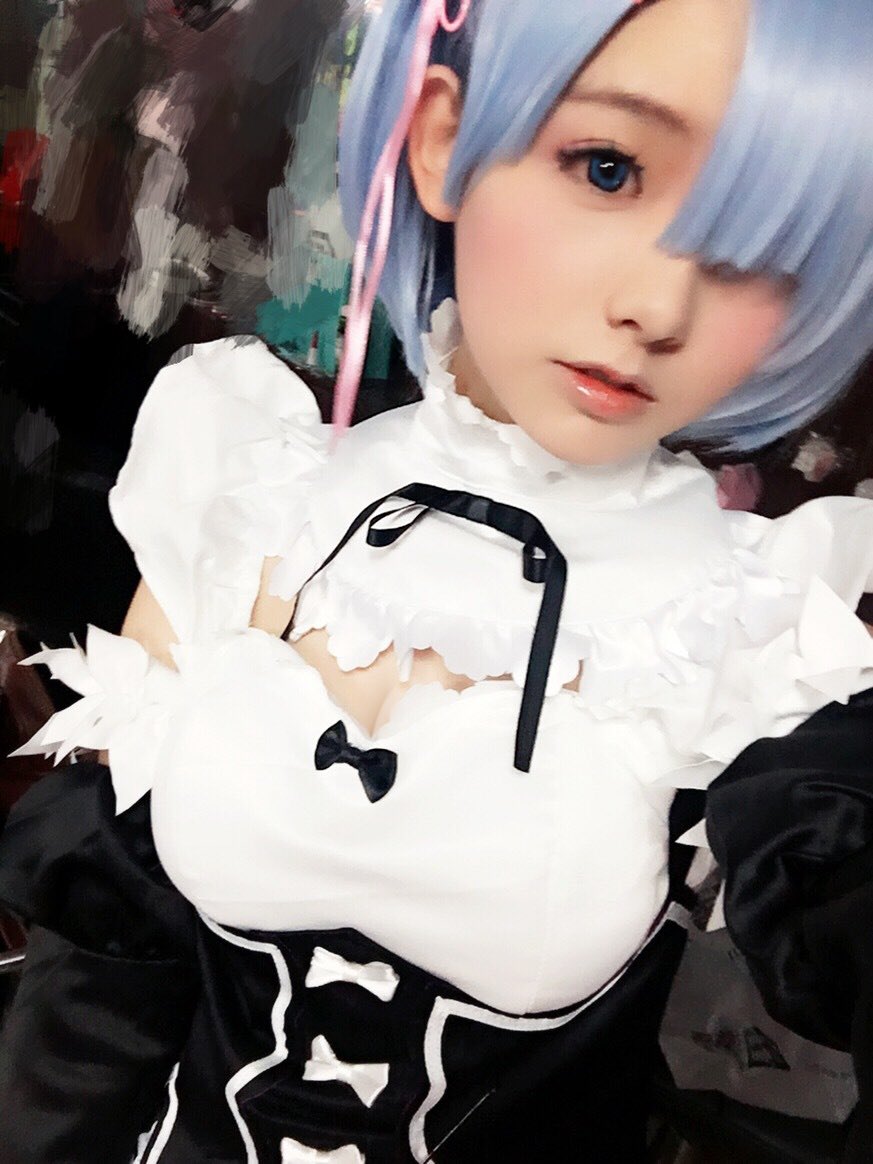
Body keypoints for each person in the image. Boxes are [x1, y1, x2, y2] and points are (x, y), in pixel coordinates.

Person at [1, 0, 872, 1160]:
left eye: (759, 246)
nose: (658, 308)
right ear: (443, 138)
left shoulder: (766, 630)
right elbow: (99, 994)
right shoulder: (244, 494)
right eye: (607, 168)